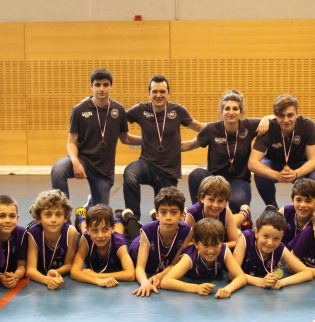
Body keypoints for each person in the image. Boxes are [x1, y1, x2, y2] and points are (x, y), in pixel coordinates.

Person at [51, 68, 141, 209]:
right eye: (97, 85)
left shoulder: (119, 110)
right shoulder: (79, 110)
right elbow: (71, 142)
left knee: (100, 213)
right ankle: (64, 216)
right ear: (91, 86)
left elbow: (125, 138)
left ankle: (90, 204)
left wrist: (147, 139)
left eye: (105, 85)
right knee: (58, 170)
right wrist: (75, 162)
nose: (101, 89)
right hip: (83, 160)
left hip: (103, 170)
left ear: (111, 86)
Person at [123, 74, 204, 220]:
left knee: (167, 210)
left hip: (168, 170)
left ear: (168, 93)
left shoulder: (178, 111)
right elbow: (116, 119)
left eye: (162, 91)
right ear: (149, 93)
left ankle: (157, 216)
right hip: (146, 165)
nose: (158, 95)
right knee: (130, 174)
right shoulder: (140, 110)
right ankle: (133, 219)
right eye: (154, 91)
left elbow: (198, 127)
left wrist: (222, 127)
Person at [182, 90, 269, 217]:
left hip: (239, 179)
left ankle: (239, 222)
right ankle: (200, 214)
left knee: (238, 202)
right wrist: (165, 147)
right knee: (196, 174)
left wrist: (266, 118)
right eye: (227, 108)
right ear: (222, 111)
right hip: (214, 178)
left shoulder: (249, 126)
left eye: (235, 109)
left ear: (241, 111)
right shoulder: (211, 129)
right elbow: (189, 145)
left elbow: (278, 118)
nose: (231, 112)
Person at [248, 94, 315, 207]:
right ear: (275, 116)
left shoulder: (307, 125)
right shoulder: (268, 127)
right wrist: (276, 175)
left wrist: (296, 173)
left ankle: (300, 208)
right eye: (281, 116)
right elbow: (252, 163)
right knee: (260, 172)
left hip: (299, 164)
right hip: (274, 163)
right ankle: (272, 207)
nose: (286, 120)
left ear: (297, 113)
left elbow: (313, 161)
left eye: (290, 115)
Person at [160, 218, 247, 298]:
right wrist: (196, 288)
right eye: (206, 245)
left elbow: (241, 277)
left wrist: (228, 289)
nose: (211, 251)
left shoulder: (224, 250)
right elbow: (166, 281)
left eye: (215, 245)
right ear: (196, 244)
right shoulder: (189, 257)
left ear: (221, 243)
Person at [130, 186, 193, 297]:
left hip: (162, 263)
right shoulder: (147, 231)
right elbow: (139, 267)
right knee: (132, 234)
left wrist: (160, 276)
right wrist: (145, 282)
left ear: (182, 215)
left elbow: (174, 263)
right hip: (138, 246)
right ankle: (128, 217)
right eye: (163, 212)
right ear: (157, 215)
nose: (168, 217)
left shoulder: (187, 231)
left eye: (174, 213)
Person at [233, 207, 312, 289]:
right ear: (256, 233)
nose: (270, 243)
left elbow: (307, 273)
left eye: (276, 238)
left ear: (282, 238)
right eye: (266, 236)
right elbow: (233, 274)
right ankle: (244, 212)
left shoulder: (280, 247)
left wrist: (281, 282)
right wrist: (260, 282)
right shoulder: (246, 238)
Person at [71, 204, 135, 287]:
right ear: (89, 230)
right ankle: (80, 218)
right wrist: (97, 281)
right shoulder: (86, 238)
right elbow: (74, 271)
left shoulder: (119, 244)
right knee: (84, 230)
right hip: (89, 232)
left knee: (119, 232)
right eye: (95, 230)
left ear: (112, 228)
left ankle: (119, 216)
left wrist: (97, 275)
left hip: (116, 236)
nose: (100, 235)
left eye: (105, 229)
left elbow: (130, 274)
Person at [26, 190, 78, 289]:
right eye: (48, 214)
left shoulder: (71, 232)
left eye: (58, 215)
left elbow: (68, 265)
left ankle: (81, 220)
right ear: (39, 218)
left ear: (65, 217)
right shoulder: (32, 233)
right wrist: (48, 280)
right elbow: (30, 270)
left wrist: (56, 272)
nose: (53, 220)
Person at [185, 175, 240, 249]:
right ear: (202, 198)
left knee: (238, 233)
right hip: (200, 250)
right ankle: (244, 213)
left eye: (220, 201)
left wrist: (215, 247)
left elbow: (235, 242)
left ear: (226, 202)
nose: (215, 205)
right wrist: (206, 248)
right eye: (211, 200)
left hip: (219, 247)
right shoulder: (192, 214)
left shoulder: (226, 211)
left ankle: (244, 213)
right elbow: (186, 243)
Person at [279, 178, 315, 247]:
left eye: (308, 201)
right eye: (298, 200)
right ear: (292, 200)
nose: (303, 205)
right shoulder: (284, 212)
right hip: (284, 253)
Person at [0, 195, 27, 288]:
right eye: (2, 216)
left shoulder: (21, 233)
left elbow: (22, 266)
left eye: (12, 216)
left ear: (17, 218)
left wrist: (15, 277)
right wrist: (1, 278)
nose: (7, 220)